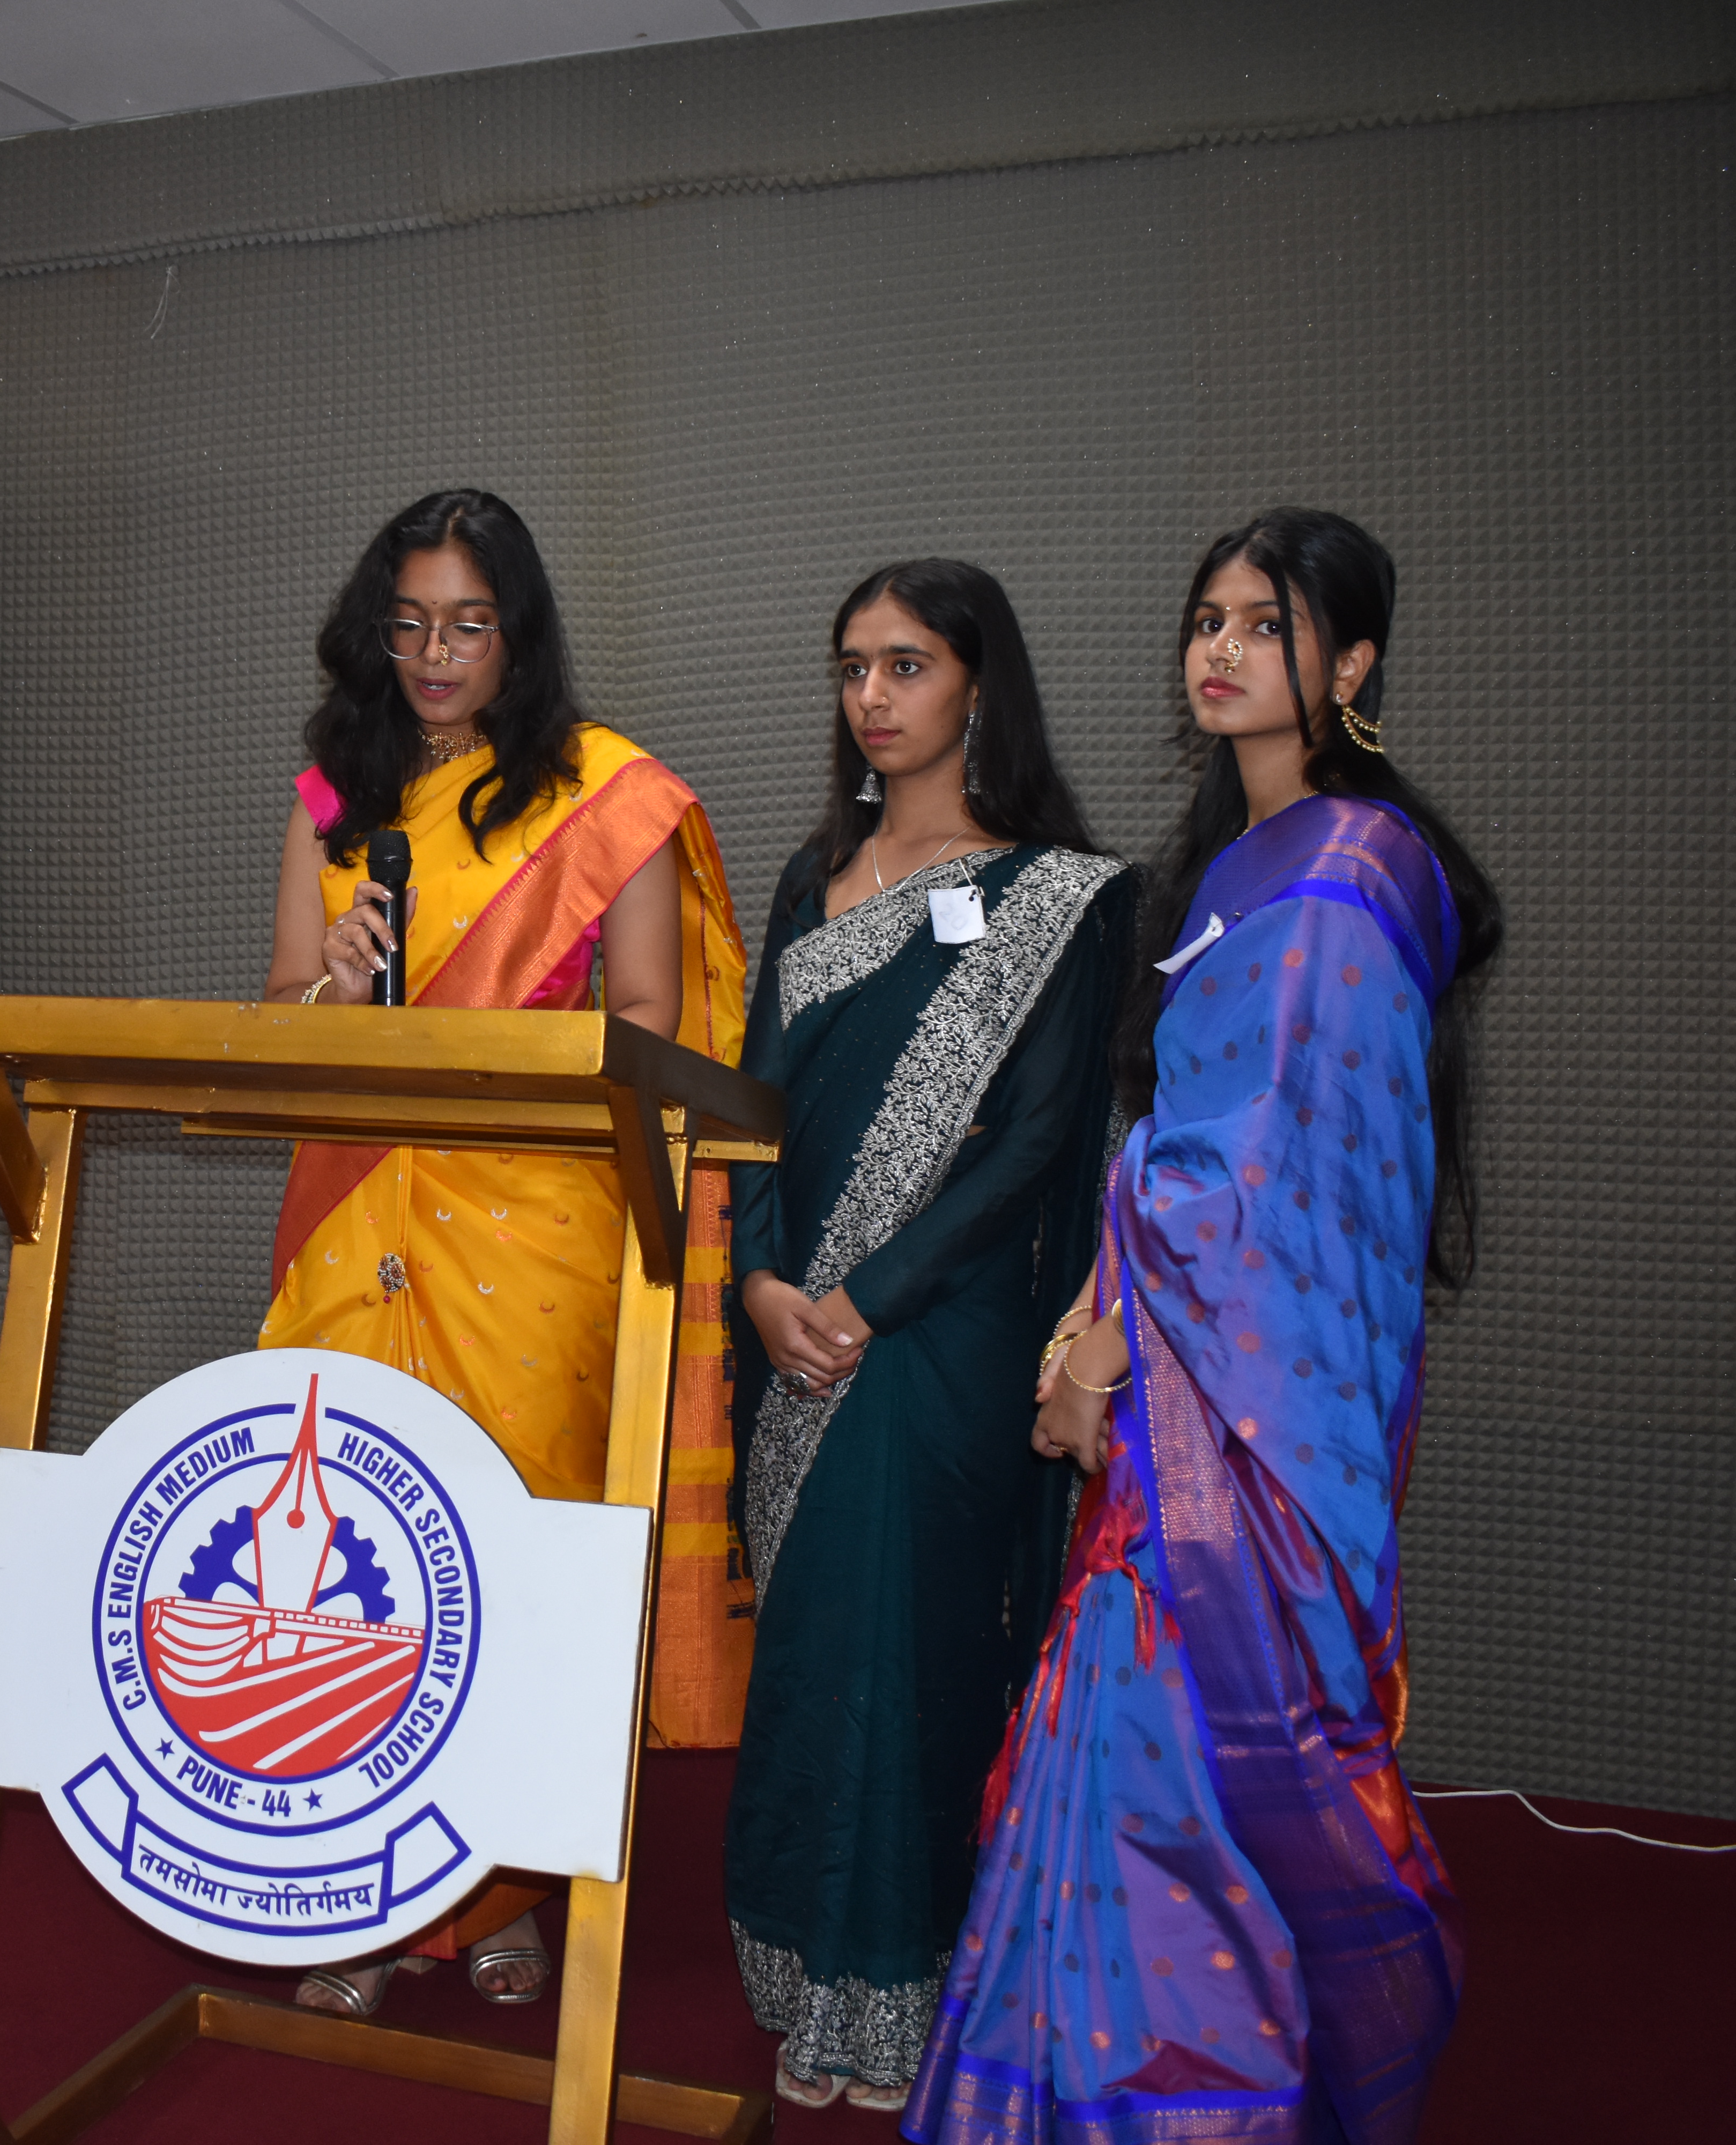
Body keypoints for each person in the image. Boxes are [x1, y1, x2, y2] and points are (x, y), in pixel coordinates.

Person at [905, 509, 1503, 2144]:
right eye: (1209, 620)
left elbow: (1273, 1163)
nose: (1223, 650)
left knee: (1186, 1742)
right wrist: (1093, 1318)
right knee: (1122, 1735)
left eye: (1267, 623)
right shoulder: (1230, 861)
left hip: (1249, 1400)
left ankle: (1204, 2107)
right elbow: (1173, 1139)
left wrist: (1105, 1344)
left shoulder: (1353, 863)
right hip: (1174, 1361)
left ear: (1352, 663)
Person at [259, 489, 748, 2016]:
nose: (435, 655)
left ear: (518, 635)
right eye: (409, 625)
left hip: (536, 1228)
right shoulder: (334, 793)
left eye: (468, 626)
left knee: (515, 1557)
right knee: (349, 1564)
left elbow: (651, 1022)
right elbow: (279, 1015)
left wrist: (508, 1055)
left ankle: (505, 1886)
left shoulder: (604, 795)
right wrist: (338, 993)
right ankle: (351, 1888)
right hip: (357, 1217)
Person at [721, 561, 1133, 2112]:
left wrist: (866, 1298)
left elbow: (1036, 1145)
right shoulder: (811, 877)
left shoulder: (1059, 897)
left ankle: (894, 1981)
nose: (873, 697)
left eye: (906, 665)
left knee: (908, 1654)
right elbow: (754, 1111)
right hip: (792, 1337)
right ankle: (796, 1963)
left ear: (978, 684)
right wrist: (763, 1285)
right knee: (813, 1655)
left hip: (939, 1339)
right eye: (852, 667)